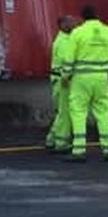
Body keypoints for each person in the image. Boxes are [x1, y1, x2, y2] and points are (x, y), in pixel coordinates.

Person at [66, 3, 108, 162]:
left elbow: (68, 59)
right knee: (103, 113)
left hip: (81, 79)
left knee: (79, 113)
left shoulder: (77, 33)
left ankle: (79, 150)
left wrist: (65, 77)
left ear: (82, 17)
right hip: (102, 78)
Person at [44, 13, 77, 153]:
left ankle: (51, 139)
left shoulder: (65, 39)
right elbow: (67, 62)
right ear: (62, 25)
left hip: (60, 79)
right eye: (70, 22)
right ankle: (61, 143)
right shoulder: (63, 42)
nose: (74, 24)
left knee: (62, 113)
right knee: (64, 113)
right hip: (63, 80)